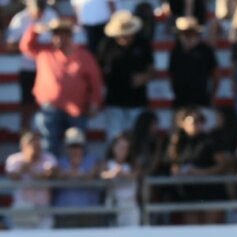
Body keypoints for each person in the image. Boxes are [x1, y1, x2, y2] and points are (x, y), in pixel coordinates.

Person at [21, 17, 102, 159]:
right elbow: (26, 46)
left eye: (62, 34)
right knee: (49, 145)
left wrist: (95, 102)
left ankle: (78, 177)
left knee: (77, 145)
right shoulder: (44, 53)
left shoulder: (84, 56)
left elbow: (95, 81)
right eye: (55, 35)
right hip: (50, 108)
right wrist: (34, 31)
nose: (57, 38)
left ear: (70, 36)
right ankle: (51, 176)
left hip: (77, 110)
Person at [96, 11, 153, 143]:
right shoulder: (106, 44)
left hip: (137, 101)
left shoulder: (142, 43)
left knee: (137, 140)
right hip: (114, 100)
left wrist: (144, 77)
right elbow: (97, 69)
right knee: (114, 141)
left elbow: (152, 70)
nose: (125, 38)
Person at [6, 0, 60, 131]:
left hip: (48, 69)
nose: (40, 14)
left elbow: (59, 41)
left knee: (49, 105)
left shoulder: (51, 16)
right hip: (28, 68)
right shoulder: (20, 19)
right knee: (27, 105)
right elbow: (10, 45)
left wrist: (39, 49)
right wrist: (31, 48)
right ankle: (25, 136)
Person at [169, 106, 228, 225]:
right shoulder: (178, 143)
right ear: (183, 123)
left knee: (212, 230)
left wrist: (200, 172)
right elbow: (172, 164)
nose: (198, 124)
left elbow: (223, 165)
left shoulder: (210, 140)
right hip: (189, 193)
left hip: (211, 191)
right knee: (192, 232)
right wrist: (177, 171)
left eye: (201, 120)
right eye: (194, 121)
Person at [5, 129, 58, 229]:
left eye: (37, 141)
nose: (35, 144)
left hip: (43, 210)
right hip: (23, 209)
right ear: (23, 145)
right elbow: (13, 176)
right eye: (31, 141)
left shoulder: (48, 158)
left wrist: (31, 170)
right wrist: (24, 166)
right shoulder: (14, 159)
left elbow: (50, 174)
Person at [52, 125, 102, 228]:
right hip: (65, 214)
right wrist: (80, 174)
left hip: (89, 213)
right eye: (72, 146)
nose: (75, 149)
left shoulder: (92, 160)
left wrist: (72, 174)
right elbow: (58, 174)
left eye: (78, 145)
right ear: (66, 147)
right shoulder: (60, 161)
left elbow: (92, 175)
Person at [169, 16, 218, 110]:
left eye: (189, 33)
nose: (185, 36)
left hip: (201, 101)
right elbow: (171, 75)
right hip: (180, 101)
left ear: (196, 33)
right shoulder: (176, 51)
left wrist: (212, 96)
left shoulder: (205, 50)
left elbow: (215, 75)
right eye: (182, 33)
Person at [100, 131, 140, 226]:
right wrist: (113, 173)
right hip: (114, 205)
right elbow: (102, 175)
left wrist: (123, 174)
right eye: (119, 147)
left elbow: (136, 175)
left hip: (130, 206)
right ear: (113, 148)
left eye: (125, 148)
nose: (122, 151)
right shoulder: (107, 164)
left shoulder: (133, 165)